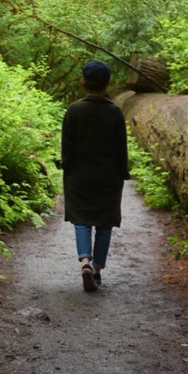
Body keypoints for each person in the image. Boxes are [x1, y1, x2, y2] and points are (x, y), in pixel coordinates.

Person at [61, 59, 129, 292]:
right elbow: (122, 149)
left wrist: (65, 165)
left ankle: (85, 262)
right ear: (107, 83)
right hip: (108, 177)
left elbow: (67, 146)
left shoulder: (74, 110)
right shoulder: (115, 112)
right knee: (104, 223)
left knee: (81, 220)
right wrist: (123, 173)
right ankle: (97, 271)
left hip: (79, 176)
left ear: (84, 81)